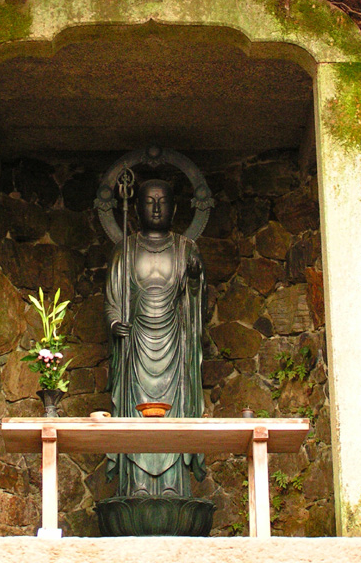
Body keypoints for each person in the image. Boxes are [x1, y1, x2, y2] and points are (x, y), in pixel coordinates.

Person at [104, 178, 206, 498]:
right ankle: (137, 489)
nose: (157, 208)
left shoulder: (186, 247)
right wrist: (114, 322)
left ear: (175, 207)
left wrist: (192, 275)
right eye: (149, 202)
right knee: (136, 419)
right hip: (135, 347)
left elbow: (193, 297)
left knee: (174, 417)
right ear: (136, 208)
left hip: (175, 345)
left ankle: (174, 488)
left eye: (163, 201)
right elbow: (113, 296)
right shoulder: (125, 248)